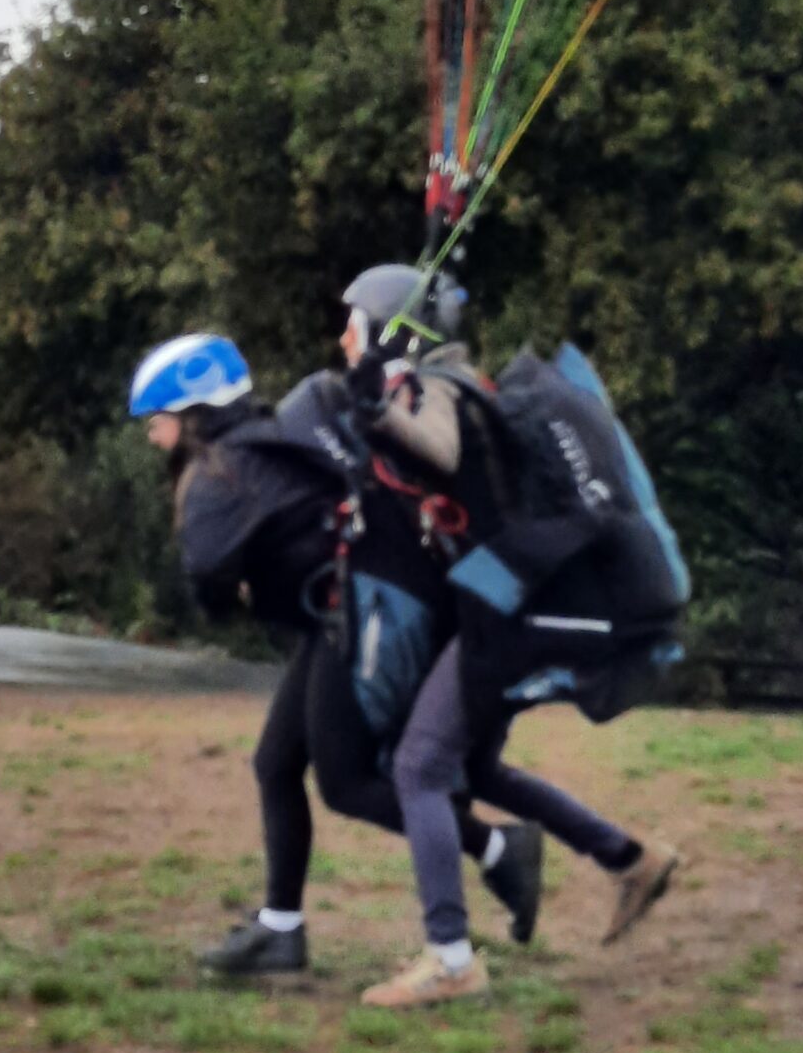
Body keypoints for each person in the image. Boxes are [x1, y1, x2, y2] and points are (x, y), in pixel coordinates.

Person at [129, 332, 535, 978]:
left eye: (157, 420)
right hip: (352, 612)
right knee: (276, 763)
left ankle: (497, 849)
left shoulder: (218, 474)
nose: (152, 435)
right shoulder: (266, 437)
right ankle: (281, 930)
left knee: (345, 783)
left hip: (353, 620)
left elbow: (206, 581)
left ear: (191, 414)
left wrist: (233, 593)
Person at [336, 264, 683, 1012]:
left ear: (388, 334)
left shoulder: (440, 390)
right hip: (516, 608)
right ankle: (630, 858)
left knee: (420, 767)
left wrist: (376, 408)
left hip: (510, 619)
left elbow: (436, 446)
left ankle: (452, 961)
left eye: (354, 324)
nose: (342, 338)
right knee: (475, 770)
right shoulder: (463, 384)